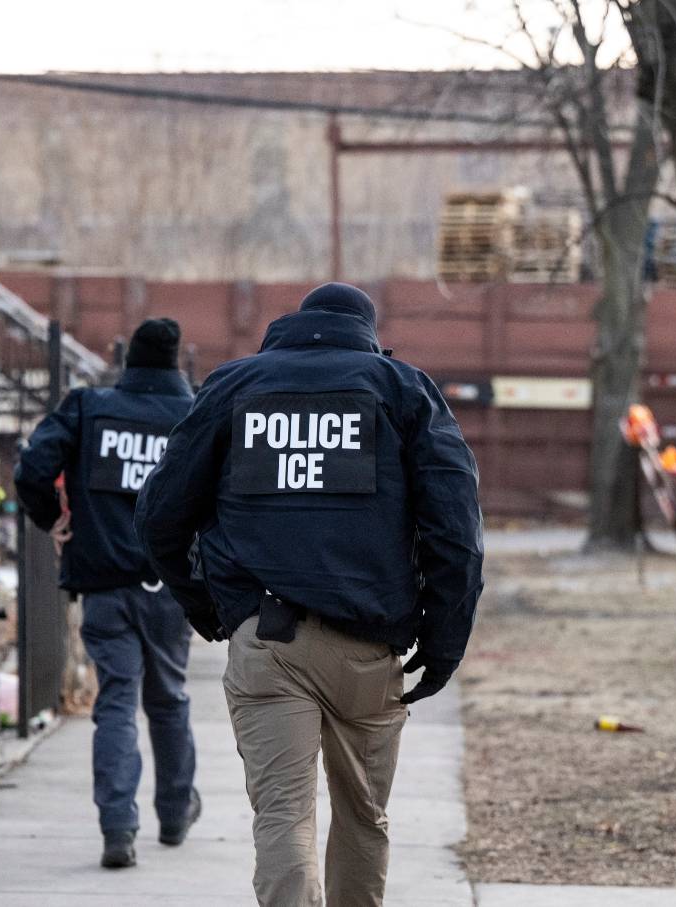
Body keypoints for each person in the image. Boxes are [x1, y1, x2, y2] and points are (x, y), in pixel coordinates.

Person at [135, 283, 484, 907]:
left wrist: (209, 609)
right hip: (369, 648)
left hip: (268, 639)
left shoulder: (235, 386)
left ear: (292, 325)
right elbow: (455, 529)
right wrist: (444, 641)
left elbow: (160, 514)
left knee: (284, 818)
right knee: (363, 818)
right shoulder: (402, 389)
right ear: (369, 335)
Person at [15, 318, 201, 869]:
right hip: (171, 587)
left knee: (117, 700)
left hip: (105, 585)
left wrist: (54, 519)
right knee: (168, 697)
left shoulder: (88, 407)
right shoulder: (191, 417)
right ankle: (173, 812)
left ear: (130, 364)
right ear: (173, 366)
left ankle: (118, 827)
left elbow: (32, 469)